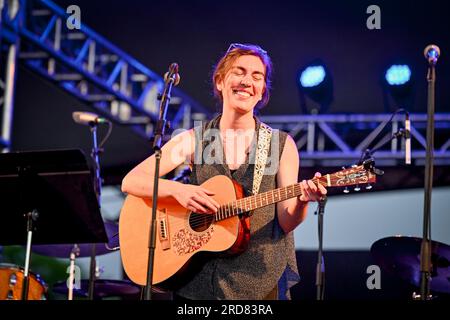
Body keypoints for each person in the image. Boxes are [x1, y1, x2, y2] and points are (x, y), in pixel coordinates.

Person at [121, 43, 327, 300]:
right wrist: (178, 190)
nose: (247, 81)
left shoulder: (280, 145)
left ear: (262, 90)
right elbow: (132, 181)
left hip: (257, 282)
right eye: (239, 72)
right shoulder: (193, 139)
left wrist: (303, 202)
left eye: (257, 76)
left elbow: (286, 221)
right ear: (220, 81)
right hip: (197, 284)